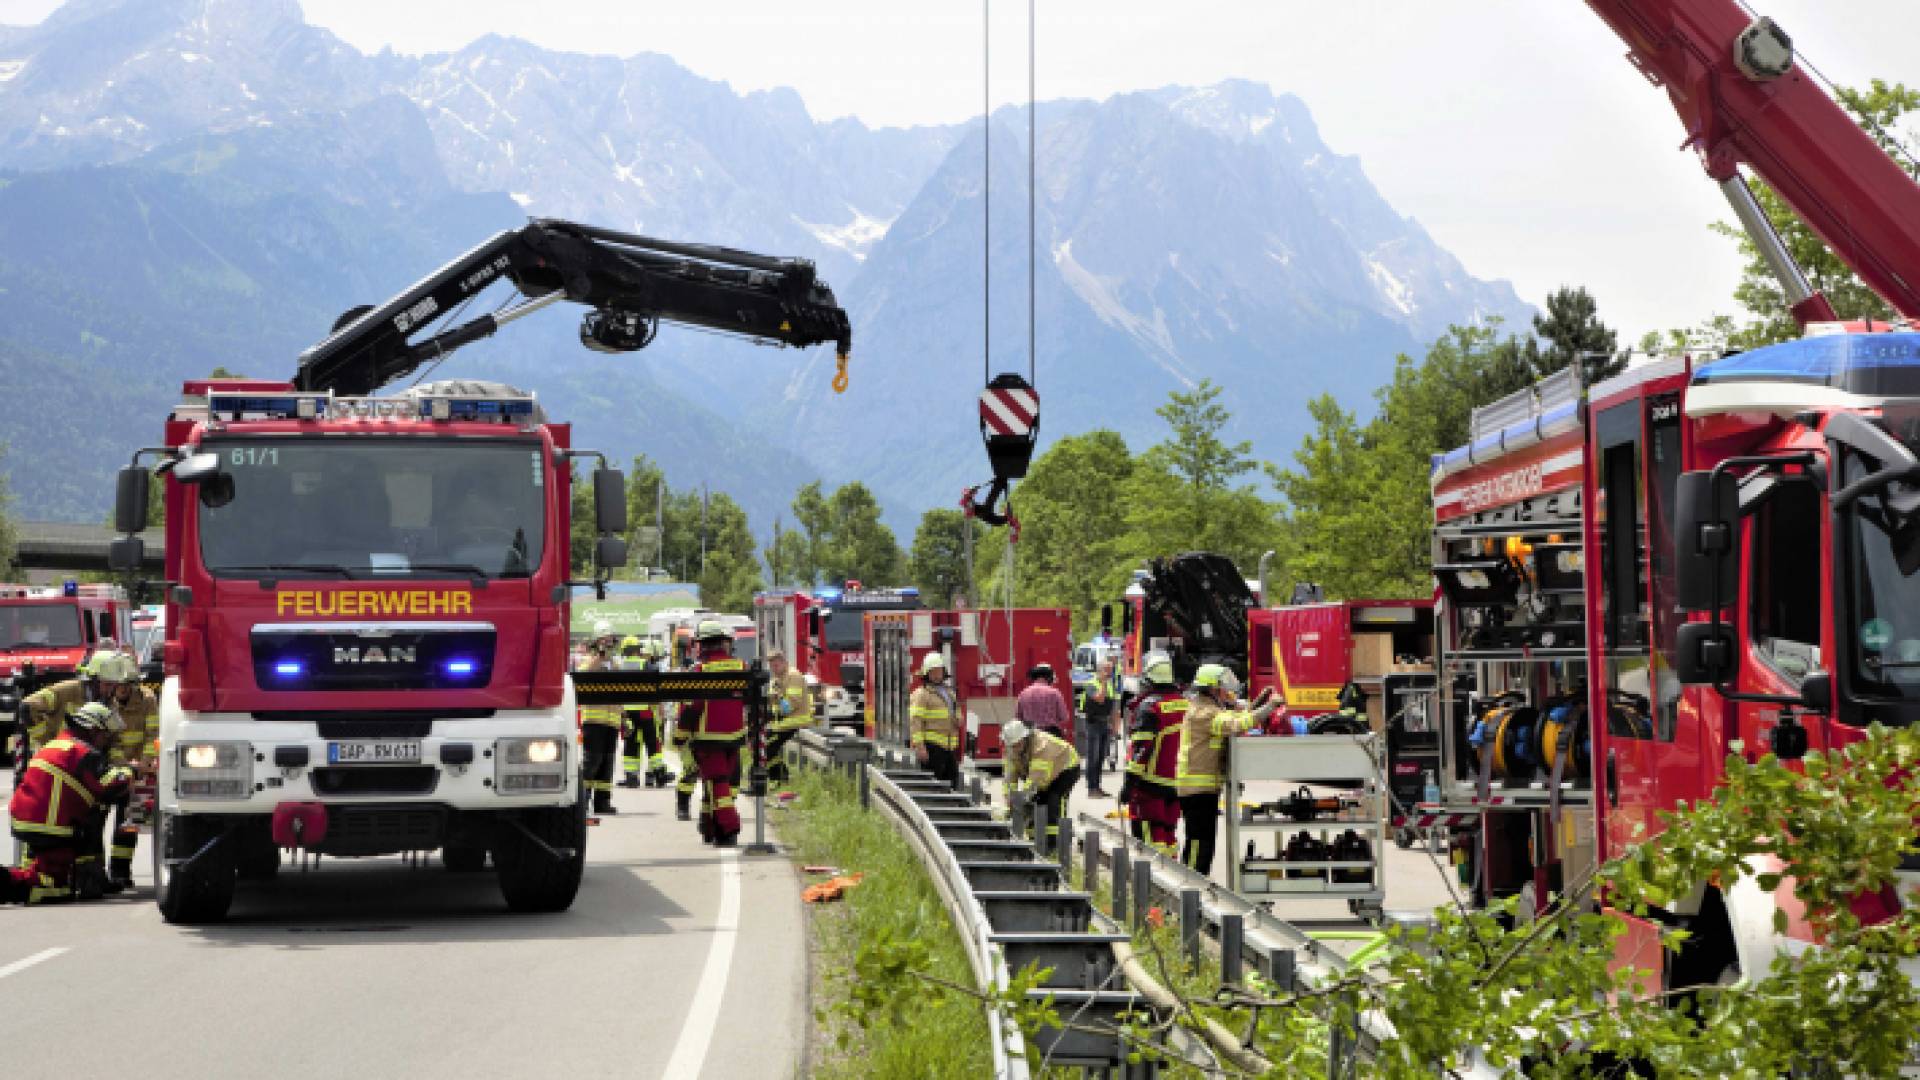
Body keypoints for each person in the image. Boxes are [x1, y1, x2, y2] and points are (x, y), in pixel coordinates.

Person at [3, 702, 133, 905]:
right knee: (57, 890)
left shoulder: (59, 743)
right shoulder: (83, 752)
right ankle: (6, 885)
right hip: (49, 827)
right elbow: (112, 782)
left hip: (29, 820)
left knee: (48, 875)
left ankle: (29, 877)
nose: (107, 740)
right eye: (105, 734)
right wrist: (131, 771)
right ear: (93, 730)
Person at [1174, 664, 1276, 875]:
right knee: (1198, 845)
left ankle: (1196, 888)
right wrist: (1270, 707)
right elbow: (1235, 724)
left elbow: (1235, 718)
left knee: (1205, 844)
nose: (1227, 693)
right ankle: (1190, 886)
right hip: (1196, 789)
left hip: (1203, 789)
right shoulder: (1204, 713)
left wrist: (1260, 701)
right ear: (1212, 689)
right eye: (1223, 688)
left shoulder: (1209, 709)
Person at [89, 651, 159, 890]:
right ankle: (96, 875)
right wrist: (124, 765)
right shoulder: (105, 703)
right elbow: (108, 741)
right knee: (96, 821)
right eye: (116, 686)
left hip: (139, 771)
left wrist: (146, 762)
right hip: (111, 769)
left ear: (133, 684)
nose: (119, 691)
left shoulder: (147, 699)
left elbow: (152, 734)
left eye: (124, 686)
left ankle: (120, 872)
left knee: (129, 824)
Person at [678, 621, 748, 846]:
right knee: (715, 782)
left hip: (708, 739)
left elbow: (692, 706)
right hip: (735, 737)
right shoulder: (741, 667)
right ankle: (709, 826)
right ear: (724, 643)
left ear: (702, 646)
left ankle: (729, 830)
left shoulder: (700, 670)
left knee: (718, 784)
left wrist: (680, 735)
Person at [1120, 650, 1186, 857]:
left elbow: (1141, 750)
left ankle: (1151, 883)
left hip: (1150, 784)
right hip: (1177, 784)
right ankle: (1172, 879)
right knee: (1169, 834)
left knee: (1151, 837)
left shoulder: (1150, 707)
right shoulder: (1185, 703)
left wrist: (1129, 784)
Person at [1000, 719, 1081, 855]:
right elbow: (1009, 776)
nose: (1015, 748)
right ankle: (1036, 841)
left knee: (1053, 800)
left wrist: (1022, 802)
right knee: (1036, 803)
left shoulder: (1042, 747)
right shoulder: (1011, 750)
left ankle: (1055, 845)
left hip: (1066, 768)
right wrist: (1011, 799)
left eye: (1018, 744)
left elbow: (1035, 781)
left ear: (1025, 738)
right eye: (1012, 745)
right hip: (1042, 772)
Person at [576, 621, 623, 816]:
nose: (609, 642)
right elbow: (584, 675)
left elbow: (620, 692)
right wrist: (600, 656)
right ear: (597, 641)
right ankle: (583, 800)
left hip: (612, 722)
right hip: (593, 721)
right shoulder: (587, 661)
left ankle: (602, 802)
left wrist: (624, 718)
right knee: (591, 762)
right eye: (605, 639)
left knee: (607, 762)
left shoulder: (614, 664)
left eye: (611, 639)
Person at [617, 637, 672, 789]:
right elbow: (656, 683)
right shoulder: (645, 664)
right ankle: (659, 774)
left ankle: (631, 777)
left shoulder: (620, 667)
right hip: (644, 711)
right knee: (652, 742)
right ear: (636, 649)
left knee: (631, 744)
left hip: (627, 712)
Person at [909, 653, 964, 786]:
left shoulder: (949, 692)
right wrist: (920, 747)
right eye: (933, 671)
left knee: (952, 784)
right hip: (932, 748)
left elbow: (956, 712)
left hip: (949, 747)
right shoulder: (922, 694)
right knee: (933, 786)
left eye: (939, 671)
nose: (936, 675)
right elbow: (915, 721)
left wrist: (958, 719)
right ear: (926, 673)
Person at [763, 649, 813, 787]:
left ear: (784, 662)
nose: (774, 668)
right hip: (781, 723)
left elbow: (791, 705)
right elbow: (772, 701)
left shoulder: (793, 676)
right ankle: (778, 777)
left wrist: (778, 698)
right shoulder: (776, 678)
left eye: (776, 665)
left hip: (794, 722)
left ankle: (780, 777)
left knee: (768, 746)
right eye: (772, 666)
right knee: (765, 745)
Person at [1080, 658, 1121, 797]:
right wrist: (1103, 682)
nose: (1109, 673)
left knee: (1102, 757)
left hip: (1104, 724)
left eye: (1110, 670)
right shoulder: (1091, 684)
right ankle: (1092, 788)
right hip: (1093, 724)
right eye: (1106, 670)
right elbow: (1100, 699)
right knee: (1093, 757)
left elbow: (1114, 707)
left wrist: (1115, 726)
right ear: (1099, 670)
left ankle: (1097, 786)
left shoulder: (1110, 685)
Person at [1014, 663, 1073, 743]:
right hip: (1051, 736)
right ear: (1048, 677)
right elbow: (1064, 717)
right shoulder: (1054, 693)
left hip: (1030, 735)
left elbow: (1018, 717)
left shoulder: (1023, 693)